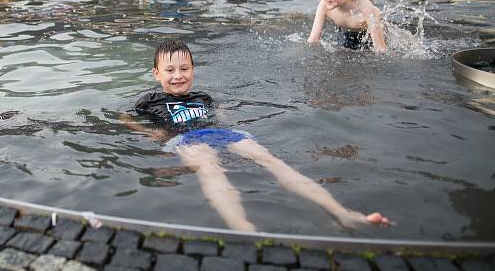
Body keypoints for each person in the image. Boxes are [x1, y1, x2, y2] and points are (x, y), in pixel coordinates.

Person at [121, 39, 390, 232]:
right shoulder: (149, 101)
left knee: (271, 160)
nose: (178, 75)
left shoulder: (203, 97)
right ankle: (243, 227)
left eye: (184, 68)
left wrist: (227, 119)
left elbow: (220, 114)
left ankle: (342, 213)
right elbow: (125, 119)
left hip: (220, 133)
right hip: (185, 139)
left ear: (193, 69)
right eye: (170, 70)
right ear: (156, 74)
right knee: (209, 166)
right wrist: (151, 132)